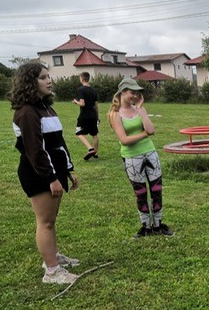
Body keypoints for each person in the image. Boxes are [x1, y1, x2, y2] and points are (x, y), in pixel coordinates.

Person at [10, 62, 80, 284]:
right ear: (29, 82)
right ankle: (52, 271)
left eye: (48, 76)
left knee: (51, 219)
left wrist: (68, 170)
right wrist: (51, 178)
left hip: (55, 171)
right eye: (42, 77)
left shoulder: (46, 108)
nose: (49, 80)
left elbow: (58, 143)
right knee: (45, 222)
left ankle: (53, 256)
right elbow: (35, 151)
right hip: (38, 174)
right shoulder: (27, 112)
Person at [108, 78, 173, 238]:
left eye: (137, 93)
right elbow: (124, 140)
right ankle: (145, 226)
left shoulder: (139, 110)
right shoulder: (115, 114)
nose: (135, 96)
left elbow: (151, 129)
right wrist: (144, 134)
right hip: (132, 158)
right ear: (123, 92)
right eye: (132, 92)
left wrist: (141, 111)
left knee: (156, 190)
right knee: (141, 192)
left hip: (150, 153)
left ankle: (158, 225)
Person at [73, 72, 100, 160]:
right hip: (93, 115)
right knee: (94, 134)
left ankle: (90, 149)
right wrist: (97, 117)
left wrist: (76, 102)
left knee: (78, 133)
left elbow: (82, 104)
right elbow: (96, 106)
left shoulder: (81, 89)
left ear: (82, 78)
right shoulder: (94, 90)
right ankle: (96, 153)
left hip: (84, 115)